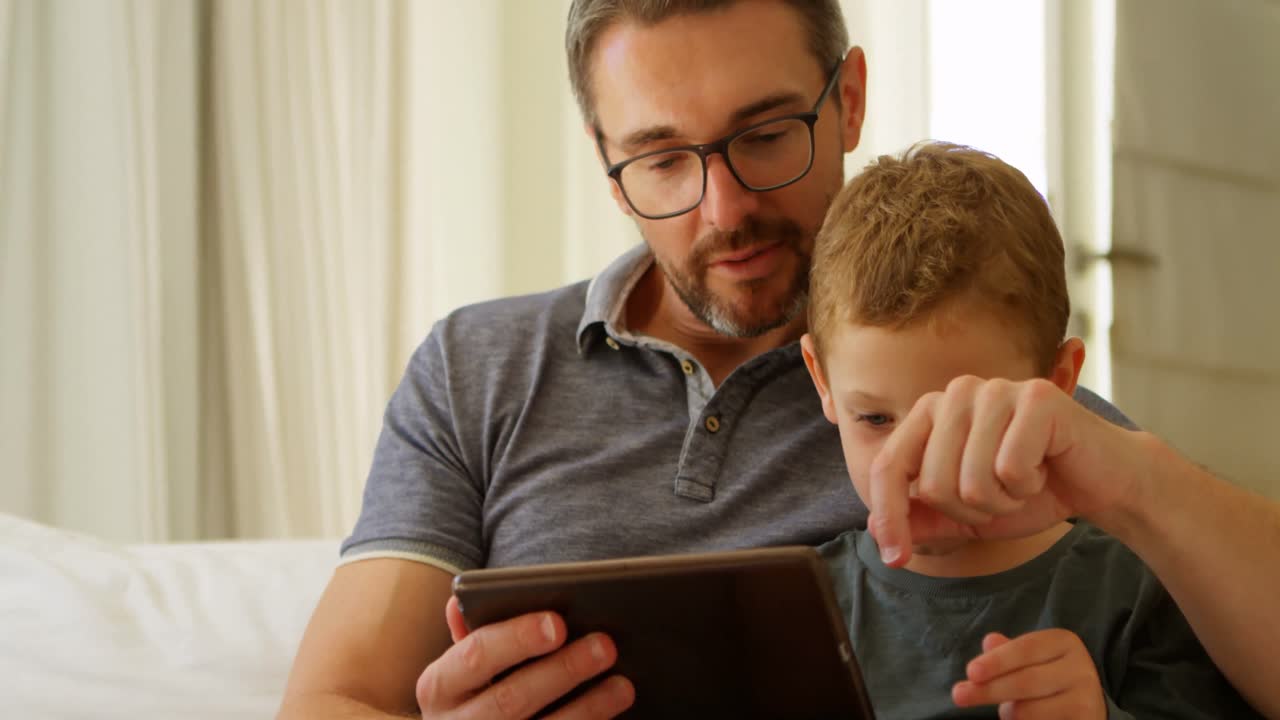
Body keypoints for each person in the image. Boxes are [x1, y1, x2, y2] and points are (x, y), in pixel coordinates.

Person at [278, 2, 1280, 718]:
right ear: (604, 158)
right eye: (662, 158)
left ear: (846, 98)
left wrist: (1143, 479)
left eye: (763, 135)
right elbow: (334, 698)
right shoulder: (477, 369)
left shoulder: (973, 379)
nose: (724, 212)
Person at [800, 141, 1261, 719]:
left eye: (963, 419)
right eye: (874, 419)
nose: (917, 463)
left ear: (1058, 383)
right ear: (821, 379)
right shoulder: (797, 607)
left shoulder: (1139, 591)